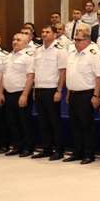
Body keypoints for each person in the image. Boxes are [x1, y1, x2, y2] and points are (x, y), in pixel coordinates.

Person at [63, 25, 100, 164]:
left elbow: (99, 77)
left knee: (86, 125)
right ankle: (77, 152)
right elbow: (71, 75)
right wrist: (69, 93)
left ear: (87, 40)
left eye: (79, 40)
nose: (76, 42)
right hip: (73, 93)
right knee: (75, 125)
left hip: (87, 94)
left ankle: (88, 154)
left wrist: (96, 96)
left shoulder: (94, 54)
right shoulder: (72, 53)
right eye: (75, 39)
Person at [32, 25, 67, 160]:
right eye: (43, 31)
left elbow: (62, 72)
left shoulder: (60, 50)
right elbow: (35, 71)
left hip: (52, 89)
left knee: (54, 122)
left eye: (47, 32)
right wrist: (35, 89)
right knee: (43, 121)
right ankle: (46, 149)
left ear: (55, 35)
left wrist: (59, 90)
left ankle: (59, 150)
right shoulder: (37, 50)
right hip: (39, 88)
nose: (44, 34)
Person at [0, 34, 36, 156]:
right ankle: (17, 146)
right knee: (12, 122)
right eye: (14, 39)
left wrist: (25, 95)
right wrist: (1, 93)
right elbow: (3, 76)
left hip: (21, 93)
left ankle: (28, 148)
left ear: (26, 43)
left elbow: (30, 77)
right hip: (8, 93)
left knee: (24, 122)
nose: (15, 42)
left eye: (18, 40)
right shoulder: (8, 56)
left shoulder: (28, 56)